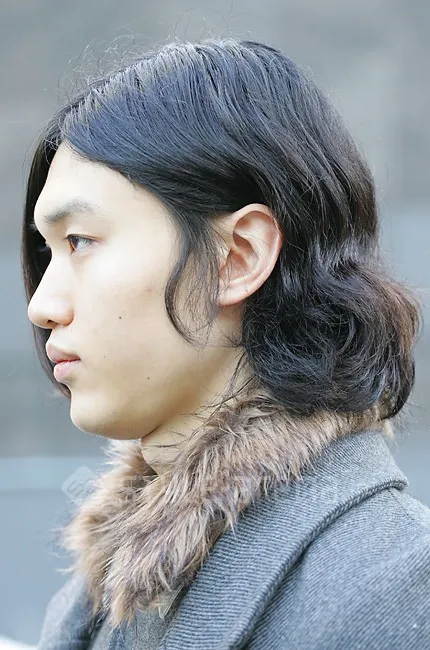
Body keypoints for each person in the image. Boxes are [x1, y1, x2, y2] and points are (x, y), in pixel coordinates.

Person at [21, 38, 430, 649]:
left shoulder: (398, 590)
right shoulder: (98, 600)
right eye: (47, 251)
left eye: (80, 240)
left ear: (237, 257)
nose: (41, 305)